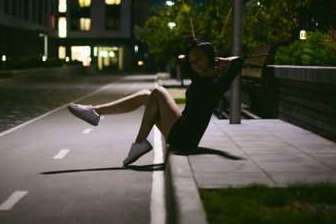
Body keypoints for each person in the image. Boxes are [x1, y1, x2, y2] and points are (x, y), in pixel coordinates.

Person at [67, 39, 243, 166]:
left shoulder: (218, 83)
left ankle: (139, 143)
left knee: (157, 91)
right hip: (181, 131)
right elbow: (182, 60)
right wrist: (191, 56)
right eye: (192, 60)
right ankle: (96, 112)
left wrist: (223, 61)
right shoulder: (199, 78)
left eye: (198, 58)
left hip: (185, 136)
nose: (194, 63)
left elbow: (238, 62)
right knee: (146, 95)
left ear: (211, 58)